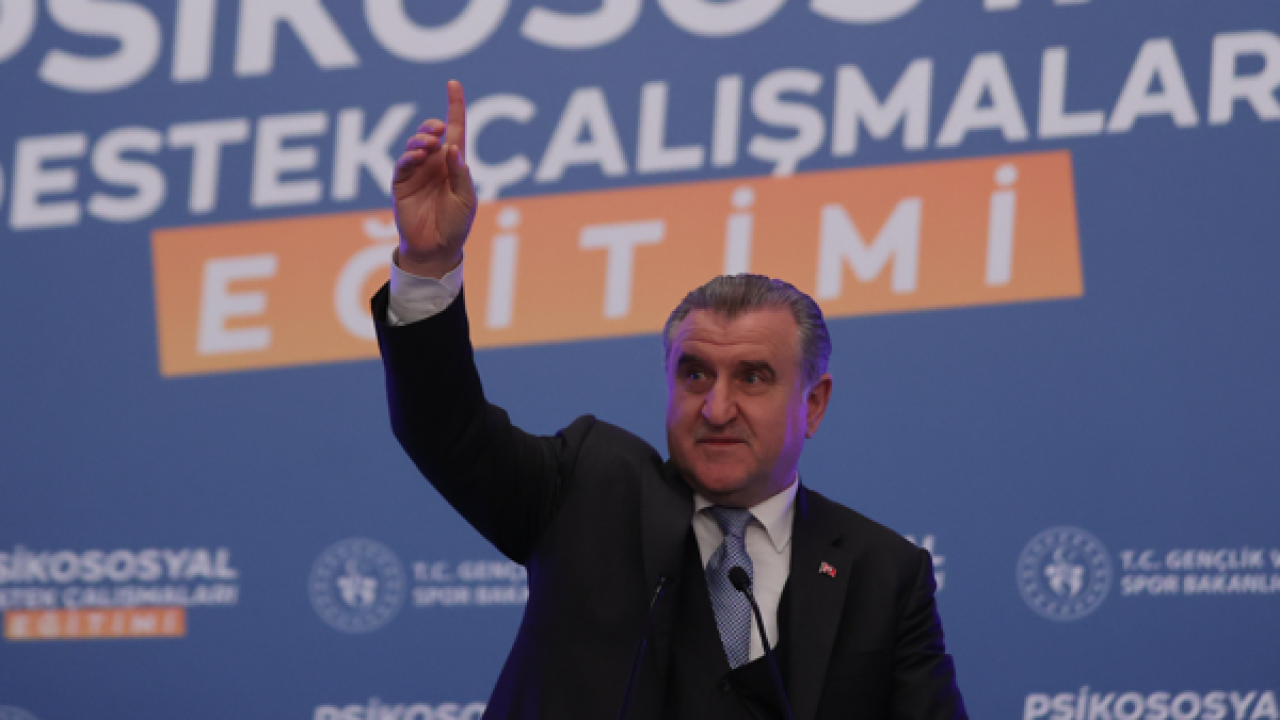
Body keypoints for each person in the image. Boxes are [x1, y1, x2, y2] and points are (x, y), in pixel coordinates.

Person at [372, 80, 967, 720]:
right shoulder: (586, 489)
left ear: (813, 403)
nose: (716, 408)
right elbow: (445, 429)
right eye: (695, 375)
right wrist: (428, 264)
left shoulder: (884, 573)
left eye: (753, 378)